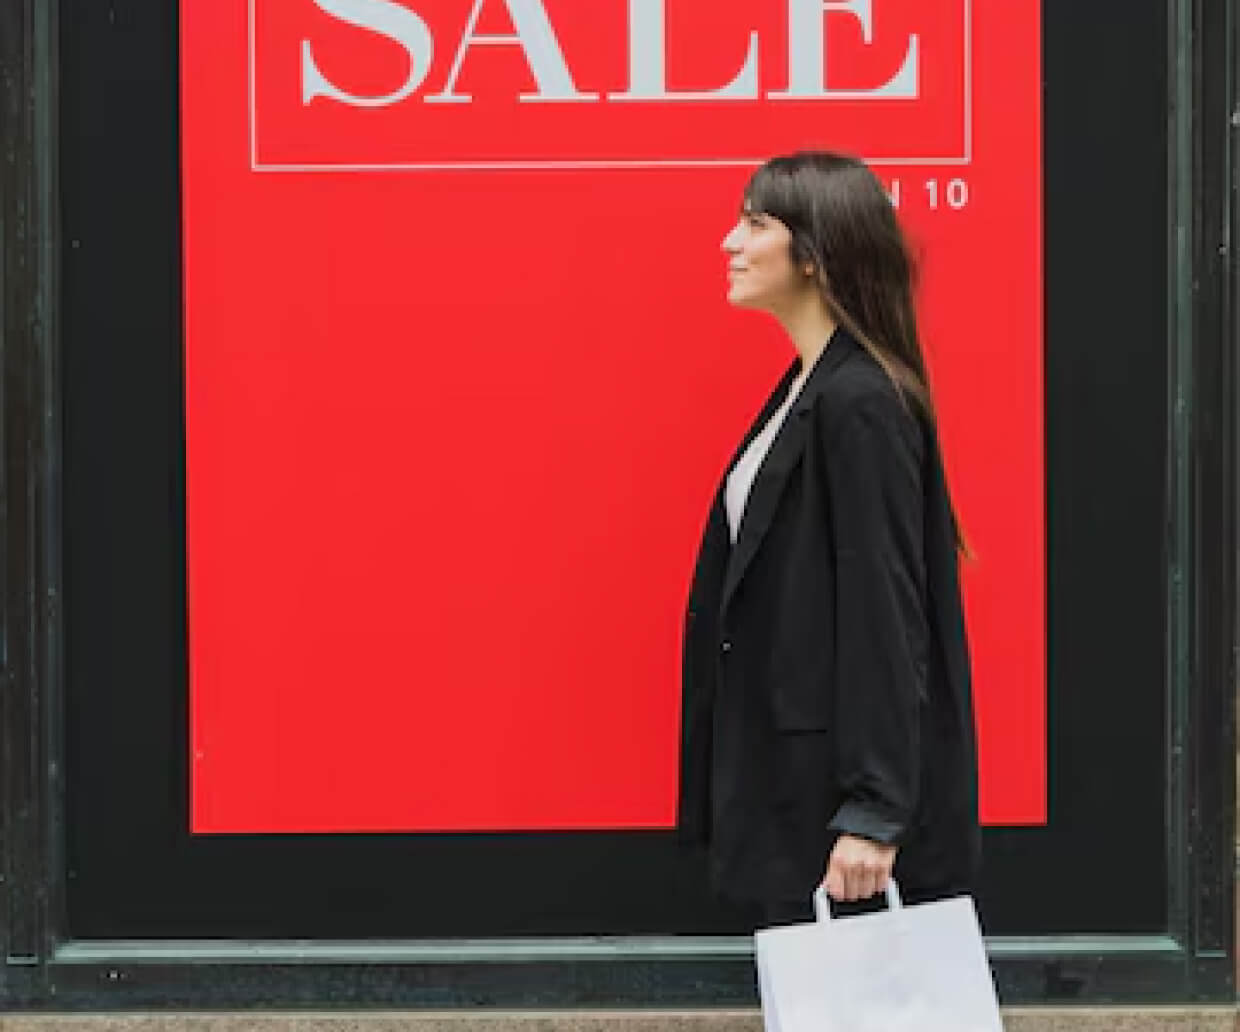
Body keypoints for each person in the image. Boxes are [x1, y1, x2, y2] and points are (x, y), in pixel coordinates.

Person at [677, 152, 981, 931]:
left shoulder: (859, 402)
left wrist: (875, 812)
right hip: (794, 795)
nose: (730, 243)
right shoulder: (809, 389)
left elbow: (885, 611)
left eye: (755, 224)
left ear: (813, 254)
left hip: (839, 819)